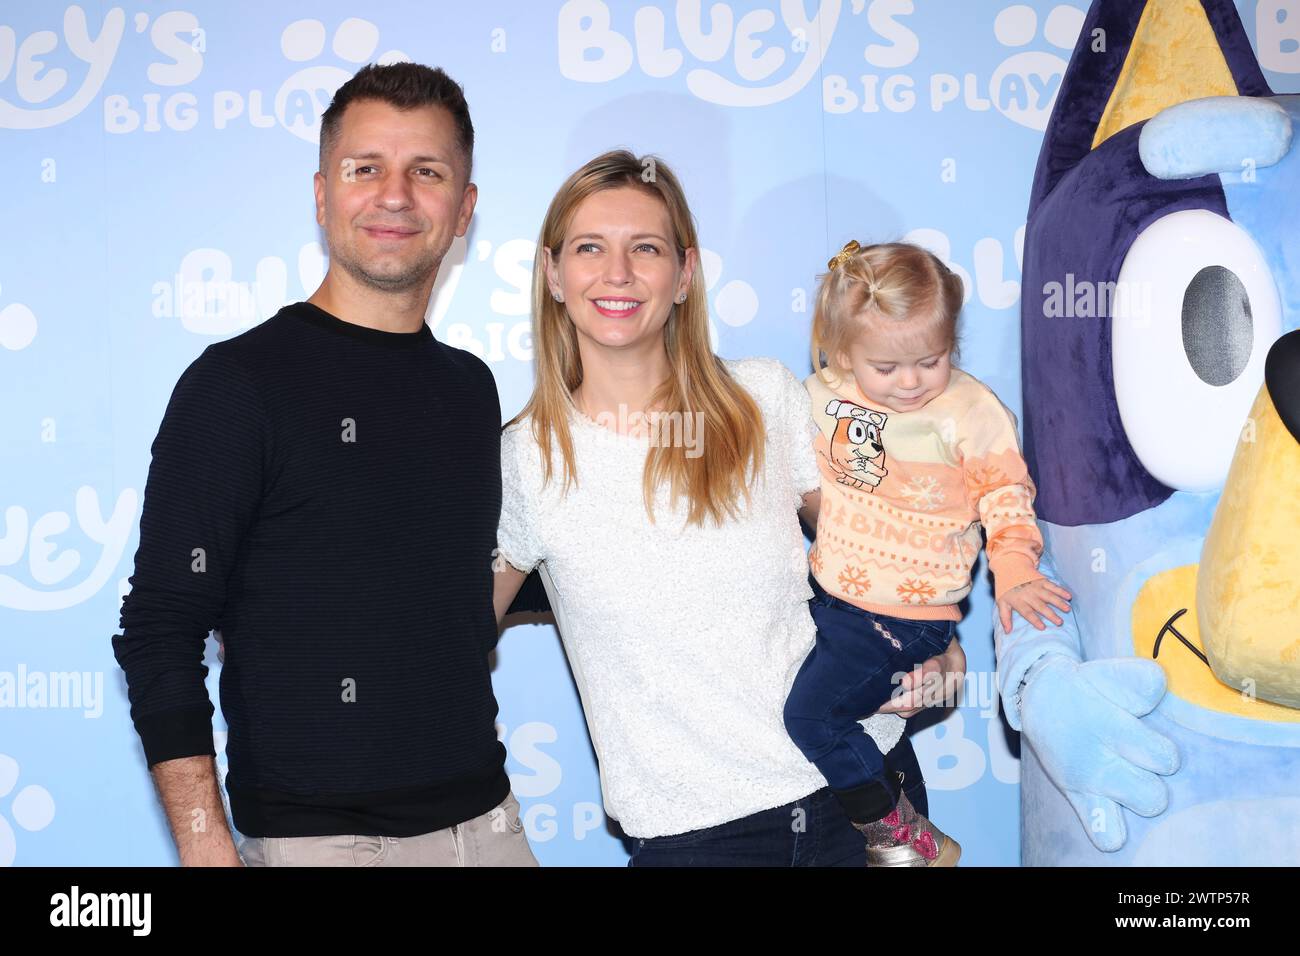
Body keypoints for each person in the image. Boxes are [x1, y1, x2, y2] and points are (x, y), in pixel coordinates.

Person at [112, 62, 537, 867]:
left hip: (490, 829)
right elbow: (160, 630)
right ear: (321, 193)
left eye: (427, 171)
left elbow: (449, 600)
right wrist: (207, 853)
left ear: (464, 209)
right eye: (365, 168)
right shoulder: (235, 386)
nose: (395, 195)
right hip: (319, 845)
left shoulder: (470, 389)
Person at [490, 151, 966, 866]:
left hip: (860, 799)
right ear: (554, 275)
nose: (617, 272)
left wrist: (940, 645)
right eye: (590, 248)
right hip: (696, 837)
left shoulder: (764, 399)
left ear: (683, 276)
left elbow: (879, 551)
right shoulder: (527, 459)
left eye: (644, 248)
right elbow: (451, 640)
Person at [783, 240, 1073, 865]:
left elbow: (1005, 494)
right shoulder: (819, 394)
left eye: (931, 360)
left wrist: (1017, 569)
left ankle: (905, 837)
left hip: (907, 620)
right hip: (831, 601)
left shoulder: (971, 412)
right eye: (886, 367)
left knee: (811, 719)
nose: (910, 382)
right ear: (840, 352)